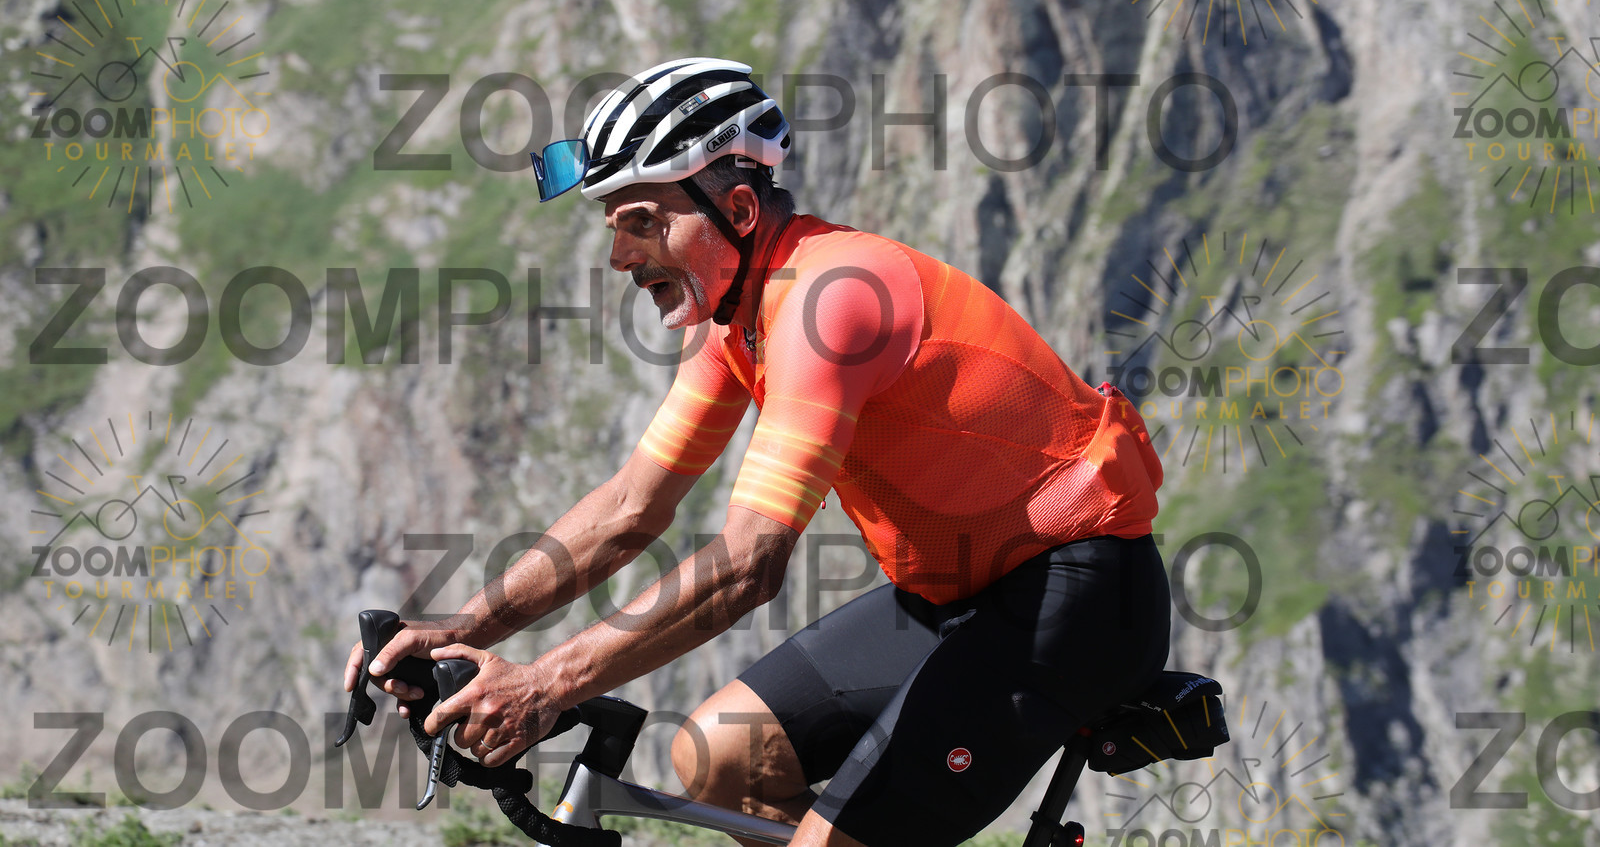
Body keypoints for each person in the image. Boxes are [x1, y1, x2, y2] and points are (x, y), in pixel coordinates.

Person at [344, 57, 1172, 847]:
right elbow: (630, 508)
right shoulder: (735, 318)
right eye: (613, 227)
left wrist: (547, 682)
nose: (620, 256)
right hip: (951, 593)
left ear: (739, 210)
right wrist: (460, 628)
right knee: (718, 757)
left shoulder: (832, 299)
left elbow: (749, 565)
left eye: (643, 222)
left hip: (1078, 598)